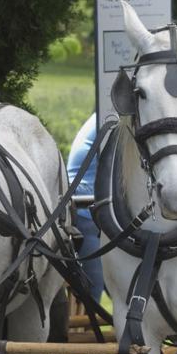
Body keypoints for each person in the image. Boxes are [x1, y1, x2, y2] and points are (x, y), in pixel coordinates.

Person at [67, 113, 104, 302]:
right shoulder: (110, 118)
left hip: (84, 205)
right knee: (94, 288)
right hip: (86, 211)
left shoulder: (101, 115)